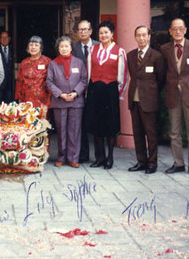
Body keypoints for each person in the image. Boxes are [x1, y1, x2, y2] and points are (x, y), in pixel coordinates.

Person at [160, 18, 189, 177]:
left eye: (180, 28)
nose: (177, 31)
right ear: (170, 31)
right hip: (173, 94)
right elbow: (164, 71)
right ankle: (178, 163)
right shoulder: (164, 49)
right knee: (174, 132)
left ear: (185, 30)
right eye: (174, 29)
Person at [86, 20, 129, 170]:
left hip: (110, 92)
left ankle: (110, 157)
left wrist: (117, 93)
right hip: (95, 90)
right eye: (101, 33)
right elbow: (88, 72)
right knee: (97, 126)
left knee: (110, 127)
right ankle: (99, 157)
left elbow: (123, 76)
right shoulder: (92, 50)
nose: (103, 35)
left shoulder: (119, 51)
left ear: (112, 34)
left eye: (106, 32)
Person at [127, 26, 165, 174]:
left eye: (144, 35)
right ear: (135, 37)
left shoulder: (156, 56)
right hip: (134, 99)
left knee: (151, 133)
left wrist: (151, 92)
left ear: (149, 37)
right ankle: (141, 161)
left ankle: (152, 162)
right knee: (137, 133)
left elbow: (160, 79)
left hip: (149, 100)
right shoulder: (130, 55)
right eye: (138, 35)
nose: (141, 38)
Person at [47, 36, 87, 168]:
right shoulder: (53, 64)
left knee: (74, 130)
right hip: (60, 101)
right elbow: (49, 82)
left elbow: (83, 79)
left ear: (71, 48)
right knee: (61, 130)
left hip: (76, 101)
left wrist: (75, 93)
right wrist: (61, 94)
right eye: (61, 46)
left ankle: (73, 158)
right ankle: (61, 156)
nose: (64, 49)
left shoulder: (79, 62)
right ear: (58, 49)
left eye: (66, 46)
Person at [72, 20, 98, 163]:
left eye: (85, 29)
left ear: (90, 31)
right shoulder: (73, 48)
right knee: (80, 123)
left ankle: (100, 156)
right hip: (78, 90)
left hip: (96, 90)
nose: (83, 32)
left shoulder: (98, 46)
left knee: (97, 122)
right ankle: (83, 155)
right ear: (77, 32)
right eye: (80, 30)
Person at [15, 36, 52, 118]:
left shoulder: (47, 62)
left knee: (42, 126)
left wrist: (48, 103)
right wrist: (19, 100)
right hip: (26, 100)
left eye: (36, 45)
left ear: (41, 47)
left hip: (42, 100)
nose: (33, 47)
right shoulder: (24, 62)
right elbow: (19, 82)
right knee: (27, 124)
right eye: (31, 45)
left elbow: (51, 83)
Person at [0, 31, 15, 104]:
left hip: (9, 84)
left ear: (9, 39)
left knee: (9, 106)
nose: (4, 39)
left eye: (6, 37)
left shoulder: (13, 49)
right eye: (2, 37)